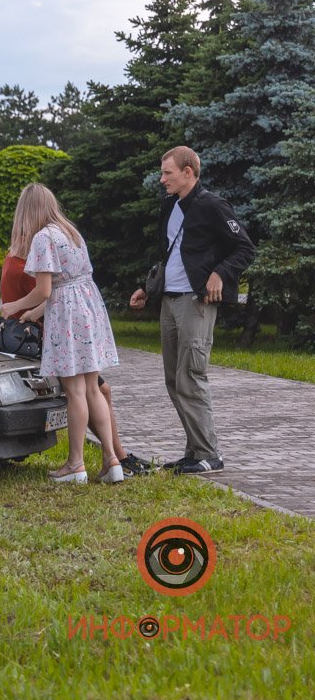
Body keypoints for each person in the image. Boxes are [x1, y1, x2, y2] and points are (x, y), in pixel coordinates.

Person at [130, 146, 255, 474]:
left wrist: (219, 273)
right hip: (169, 300)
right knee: (174, 379)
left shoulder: (213, 205)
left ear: (188, 172)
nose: (162, 179)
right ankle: (194, 451)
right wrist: (148, 288)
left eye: (167, 173)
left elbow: (245, 248)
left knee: (191, 376)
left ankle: (211, 455)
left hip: (195, 302)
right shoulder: (170, 204)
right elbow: (169, 254)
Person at [1, 183, 123, 484]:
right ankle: (111, 461)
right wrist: (35, 313)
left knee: (75, 391)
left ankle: (75, 464)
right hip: (88, 308)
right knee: (93, 388)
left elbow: (44, 290)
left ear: (27, 211)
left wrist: (14, 306)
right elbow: (69, 283)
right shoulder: (70, 232)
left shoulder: (43, 238)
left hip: (67, 316)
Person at [0, 243, 151, 477]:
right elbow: (49, 296)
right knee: (90, 391)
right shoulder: (35, 264)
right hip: (49, 341)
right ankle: (113, 458)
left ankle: (109, 459)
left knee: (93, 391)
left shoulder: (14, 257)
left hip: (36, 338)